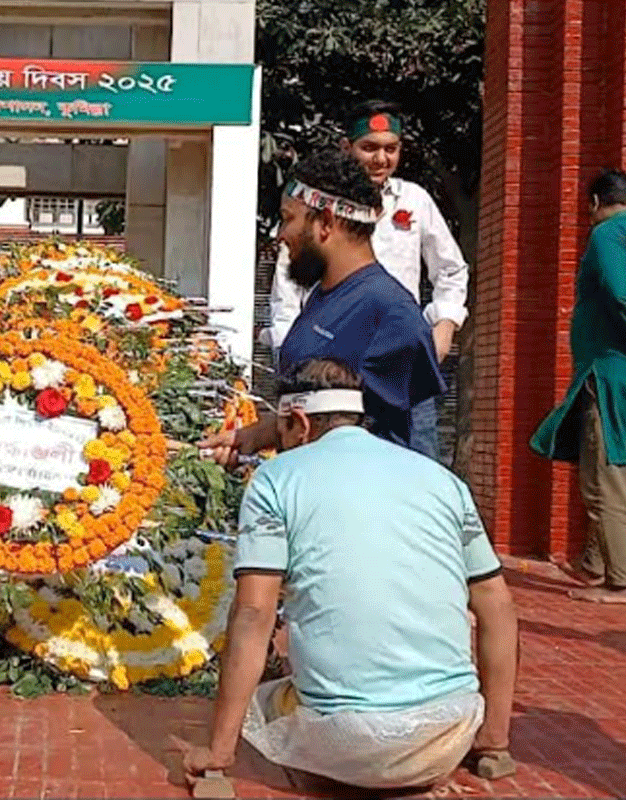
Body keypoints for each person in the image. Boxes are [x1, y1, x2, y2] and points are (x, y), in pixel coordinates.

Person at [180, 358, 519, 791]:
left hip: (344, 745)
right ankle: (493, 746)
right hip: (448, 734)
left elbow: (253, 613)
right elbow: (498, 606)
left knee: (264, 697)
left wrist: (218, 753)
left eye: (280, 433)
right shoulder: (443, 480)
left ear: (298, 422)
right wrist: (492, 738)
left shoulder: (274, 480)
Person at [200, 149, 445, 463]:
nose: (280, 235)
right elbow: (316, 412)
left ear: (326, 222)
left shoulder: (392, 316)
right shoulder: (322, 294)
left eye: (288, 219)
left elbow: (410, 449)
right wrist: (248, 438)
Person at [267, 100, 469, 461]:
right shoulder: (320, 286)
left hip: (395, 359)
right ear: (348, 148)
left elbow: (452, 269)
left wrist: (444, 325)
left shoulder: (414, 202)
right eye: (370, 147)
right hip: (321, 375)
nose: (380, 159)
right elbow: (286, 296)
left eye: (390, 149)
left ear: (327, 224)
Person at [530, 168, 626, 606]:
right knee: (617, 472)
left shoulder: (608, 235)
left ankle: (620, 583)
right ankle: (593, 563)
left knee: (604, 477)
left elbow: (617, 292)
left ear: (594, 202)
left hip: (611, 371)